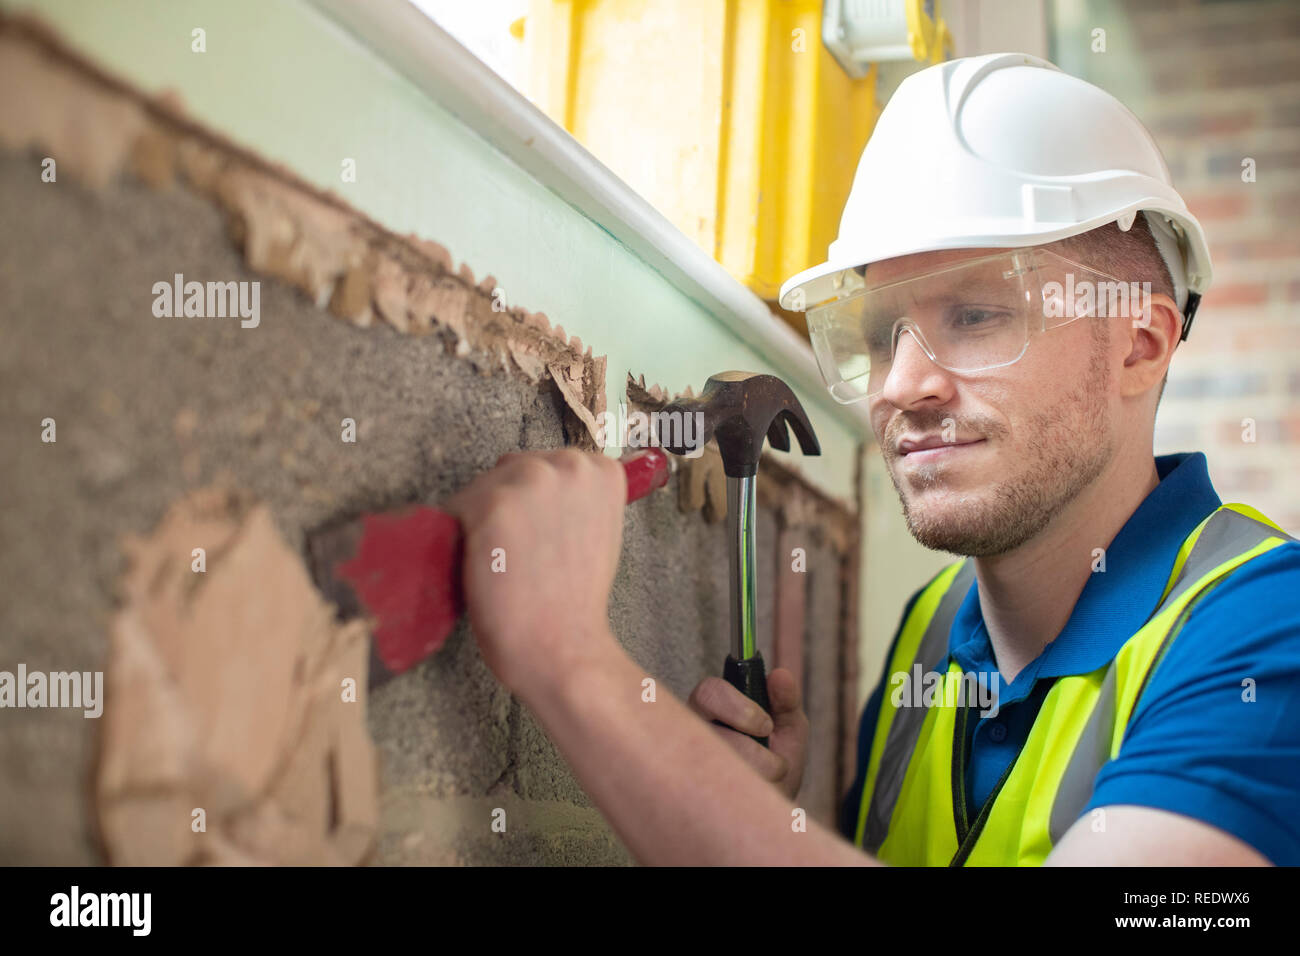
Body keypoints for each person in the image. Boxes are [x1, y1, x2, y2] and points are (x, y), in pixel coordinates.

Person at [445, 53, 1300, 865]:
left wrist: (568, 662)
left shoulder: (1265, 630)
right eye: (883, 333)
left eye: (975, 316)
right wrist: (760, 814)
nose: (904, 383)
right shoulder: (933, 635)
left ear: (1138, 345)